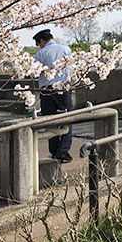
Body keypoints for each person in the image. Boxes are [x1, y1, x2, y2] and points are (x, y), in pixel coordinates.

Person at [33, 29, 73, 162]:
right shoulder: (65, 49)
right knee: (66, 118)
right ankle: (63, 151)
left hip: (46, 90)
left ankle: (54, 150)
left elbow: (33, 74)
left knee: (50, 121)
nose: (39, 46)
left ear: (42, 41)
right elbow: (72, 68)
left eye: (39, 43)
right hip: (63, 87)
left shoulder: (40, 54)